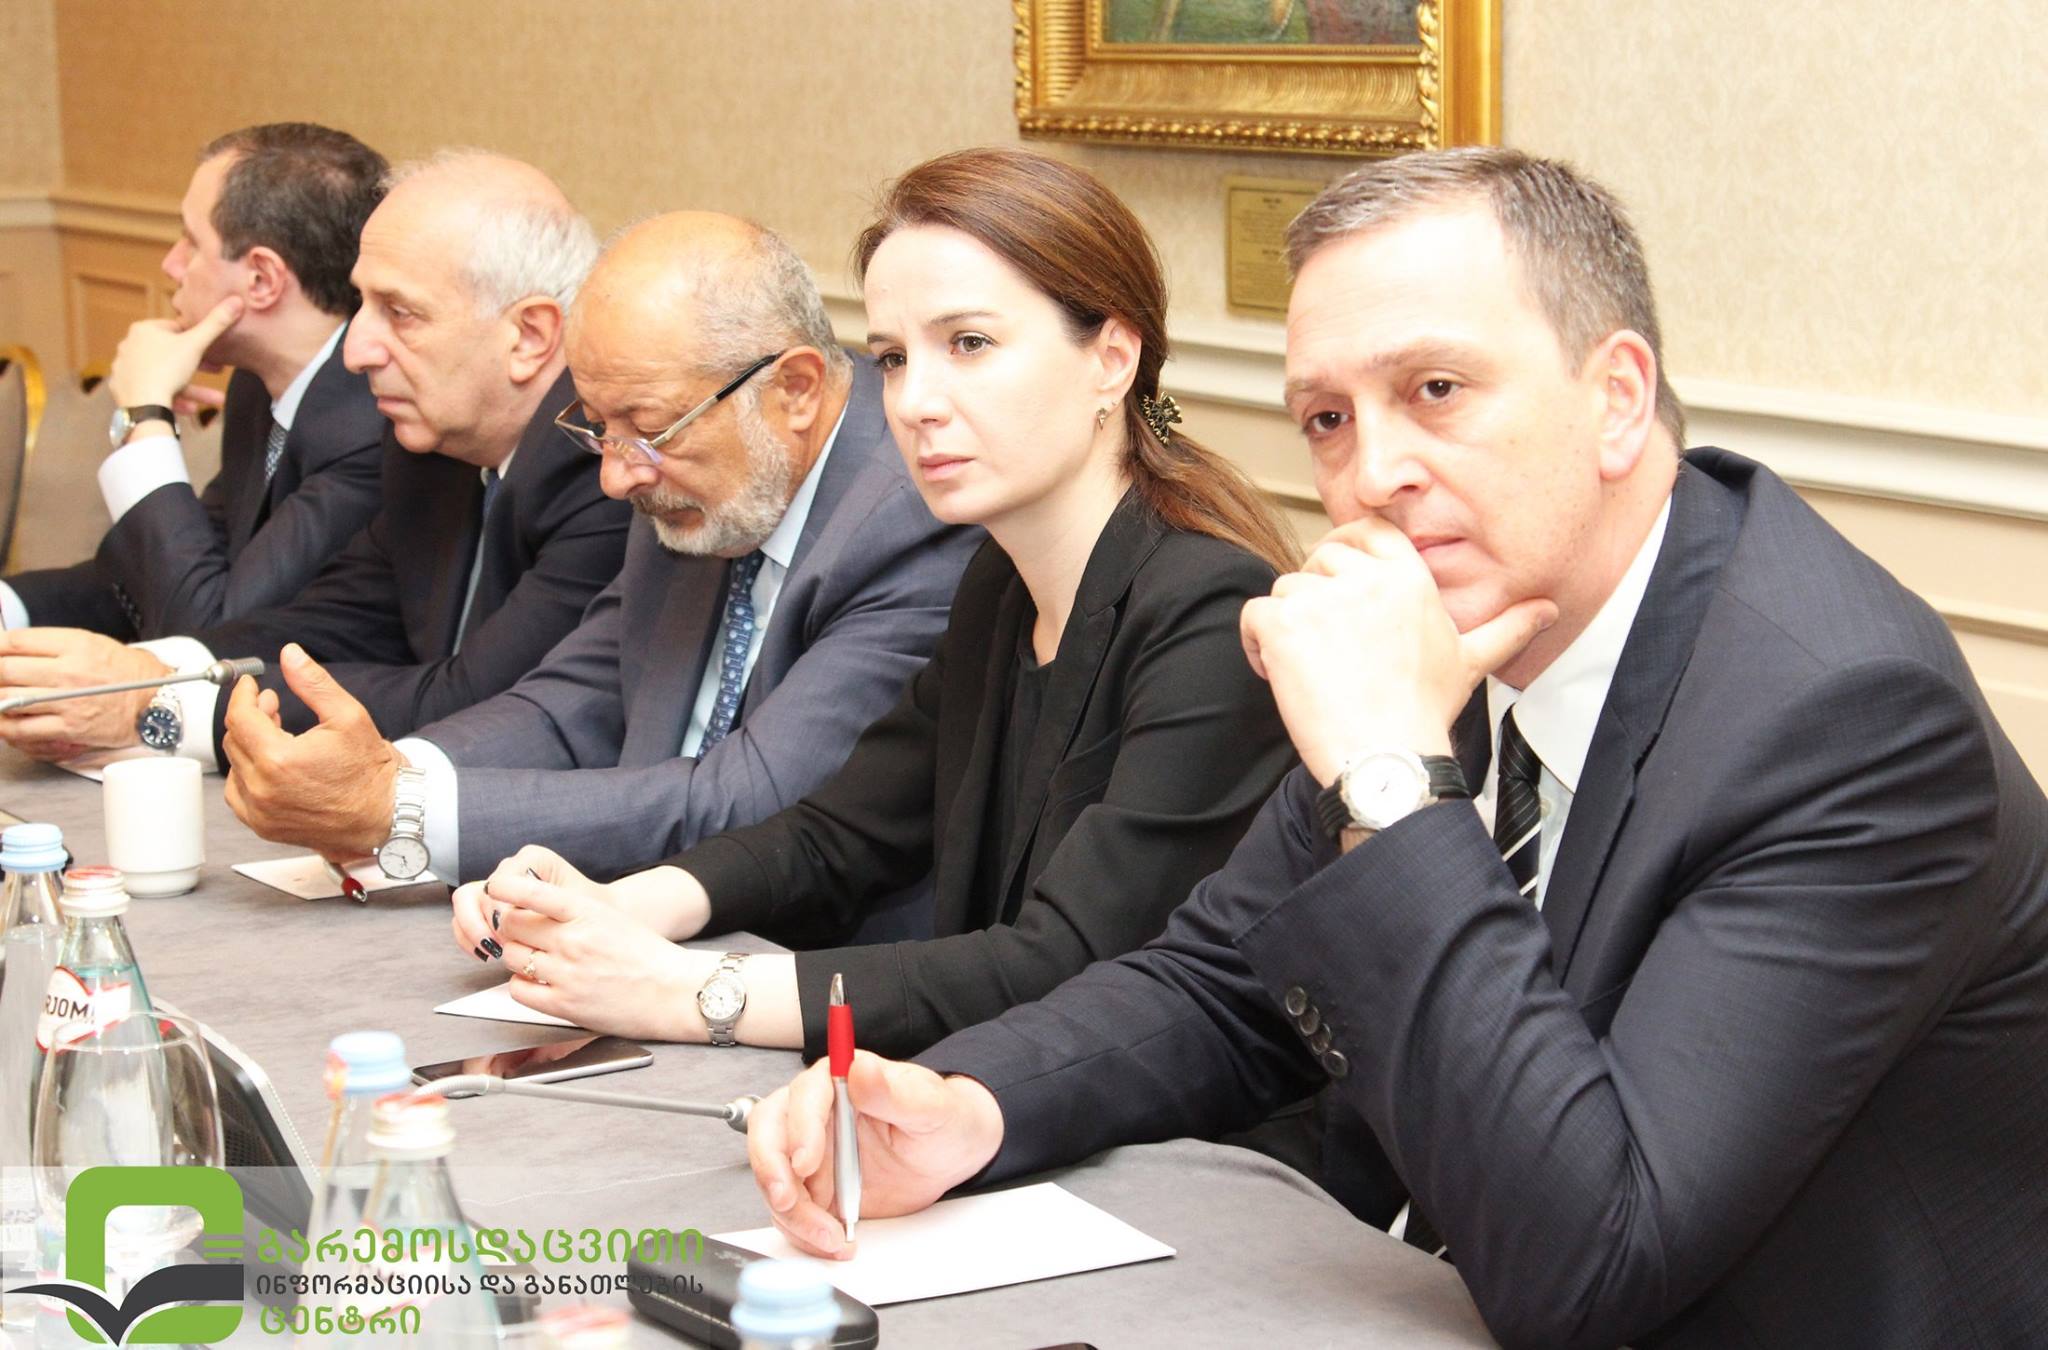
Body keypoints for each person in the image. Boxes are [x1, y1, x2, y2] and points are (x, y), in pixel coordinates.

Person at [742, 149, 2048, 1350]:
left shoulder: (1847, 720)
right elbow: (1218, 979)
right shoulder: (1465, 605)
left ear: (1616, 400)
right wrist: (971, 1103)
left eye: (1436, 390)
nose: (1372, 475)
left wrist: (1391, 772)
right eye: (1326, 419)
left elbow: (1590, 1261)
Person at [459, 147, 1301, 1060]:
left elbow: (1063, 963)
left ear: (1111, 359)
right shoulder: (1001, 582)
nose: (915, 402)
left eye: (969, 344)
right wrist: (610, 906)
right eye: (895, 358)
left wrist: (686, 992)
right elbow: (839, 834)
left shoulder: (1209, 609)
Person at [217, 211, 980, 898]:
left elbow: (752, 800)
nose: (616, 477)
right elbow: (571, 704)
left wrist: (401, 810)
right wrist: (383, 775)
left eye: (647, 428)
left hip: (809, 963)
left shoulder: (911, 518)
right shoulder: (691, 476)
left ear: (797, 389)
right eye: (599, 428)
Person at [0, 151, 631, 786]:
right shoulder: (429, 450)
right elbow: (330, 624)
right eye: (362, 305)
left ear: (529, 336)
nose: (355, 351)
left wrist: (153, 704)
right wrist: (140, 675)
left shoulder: (605, 467)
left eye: (400, 312)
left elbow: (473, 700)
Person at [1, 122, 387, 639]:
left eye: (191, 241)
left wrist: (146, 416)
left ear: (261, 279)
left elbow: (205, 630)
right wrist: (8, 608)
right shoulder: (259, 389)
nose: (170, 264)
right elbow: (159, 575)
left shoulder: (369, 433)